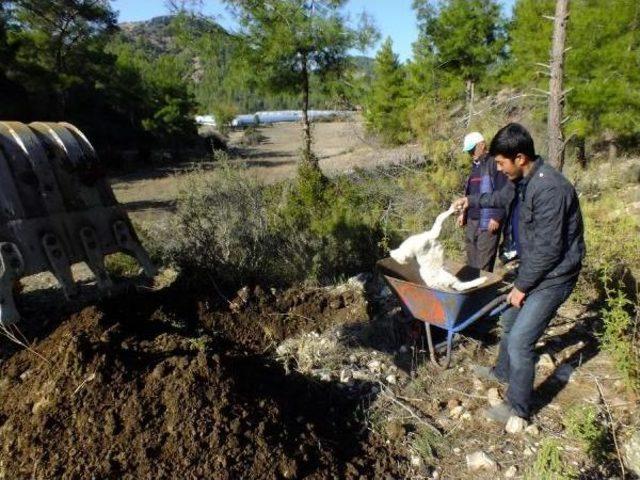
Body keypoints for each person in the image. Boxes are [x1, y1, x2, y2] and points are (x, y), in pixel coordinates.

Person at [452, 123, 585, 424]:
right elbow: (498, 199)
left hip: (555, 275)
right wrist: (470, 201)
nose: (497, 168)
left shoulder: (550, 189)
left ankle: (518, 409)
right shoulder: (521, 180)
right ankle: (501, 372)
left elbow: (550, 250)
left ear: (520, 157)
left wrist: (522, 286)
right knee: (509, 320)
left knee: (520, 341)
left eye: (501, 163)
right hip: (535, 267)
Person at [459, 132, 508, 272]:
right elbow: (470, 193)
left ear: (482, 145)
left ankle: (484, 291)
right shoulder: (475, 166)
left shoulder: (494, 163)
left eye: (472, 149)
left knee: (483, 263)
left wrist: (497, 216)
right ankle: (474, 291)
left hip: (488, 221)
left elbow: (504, 191)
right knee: (471, 261)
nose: (471, 153)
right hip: (472, 219)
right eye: (468, 151)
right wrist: (463, 213)